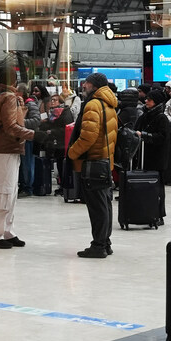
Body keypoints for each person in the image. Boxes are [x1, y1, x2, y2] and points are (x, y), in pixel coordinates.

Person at [67, 73, 119, 259]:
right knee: (105, 204)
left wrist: (72, 152)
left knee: (97, 207)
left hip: (93, 161)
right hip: (105, 160)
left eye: (87, 83)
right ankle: (105, 242)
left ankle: (98, 246)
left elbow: (88, 136)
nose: (84, 86)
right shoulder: (109, 103)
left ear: (94, 86)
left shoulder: (93, 104)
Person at [0, 70, 34, 250]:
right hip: (5, 149)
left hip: (7, 149)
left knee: (10, 193)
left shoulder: (4, 96)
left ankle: (6, 231)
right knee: (4, 193)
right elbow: (11, 127)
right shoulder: (8, 98)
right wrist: (34, 134)